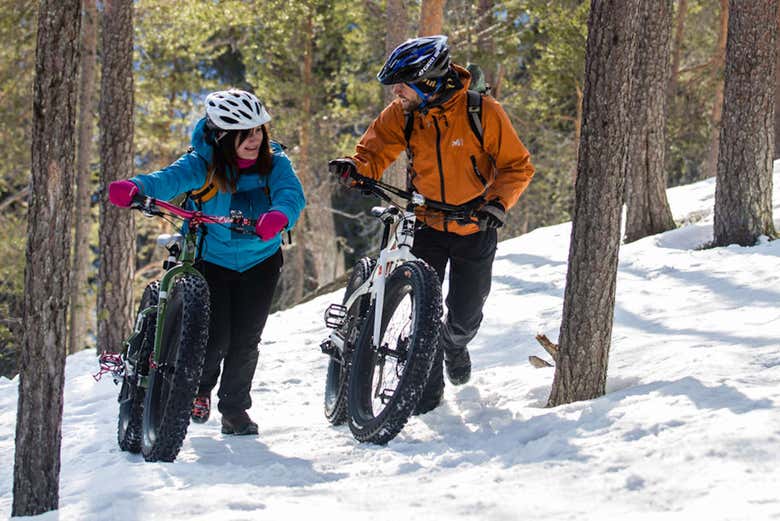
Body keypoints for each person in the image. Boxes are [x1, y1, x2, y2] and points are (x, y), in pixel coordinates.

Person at [329, 35, 534, 414]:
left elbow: (516, 166)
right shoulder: (403, 113)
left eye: (403, 83)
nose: (396, 91)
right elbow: (372, 151)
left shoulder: (482, 111)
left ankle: (454, 345)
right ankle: (424, 390)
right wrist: (355, 169)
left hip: (474, 224)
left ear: (428, 81)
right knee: (423, 307)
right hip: (424, 222)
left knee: (464, 317)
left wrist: (497, 204)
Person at [109, 89, 306, 435]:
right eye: (244, 134)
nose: (254, 139)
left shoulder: (276, 162)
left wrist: (279, 216)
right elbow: (166, 180)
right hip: (211, 259)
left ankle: (234, 410)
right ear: (222, 137)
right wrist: (135, 186)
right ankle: (198, 389)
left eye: (258, 130)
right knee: (213, 337)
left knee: (246, 339)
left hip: (260, 261)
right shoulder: (203, 164)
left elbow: (291, 194)